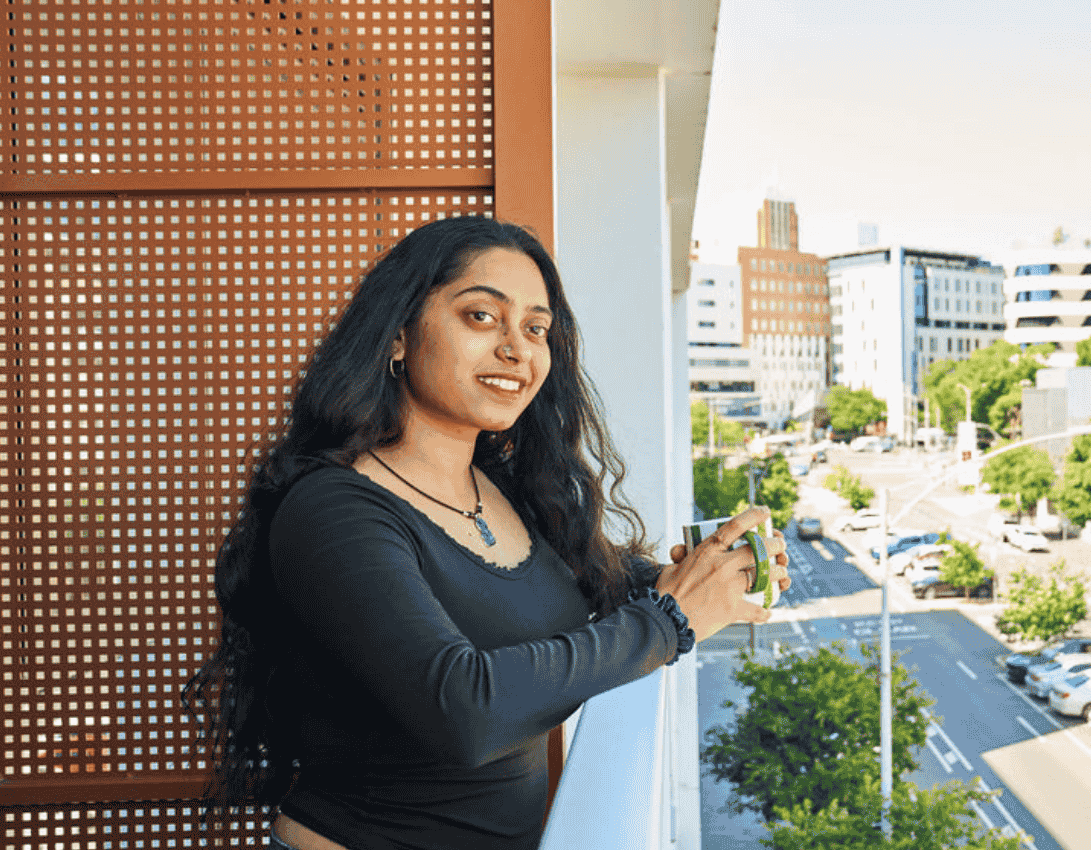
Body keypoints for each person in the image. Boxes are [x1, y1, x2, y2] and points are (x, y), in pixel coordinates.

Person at [182, 216, 789, 850]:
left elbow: (610, 583)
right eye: (481, 317)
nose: (517, 349)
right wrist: (670, 620)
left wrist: (718, 566)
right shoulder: (334, 509)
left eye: (535, 328)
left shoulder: (510, 489)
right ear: (398, 335)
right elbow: (464, 710)